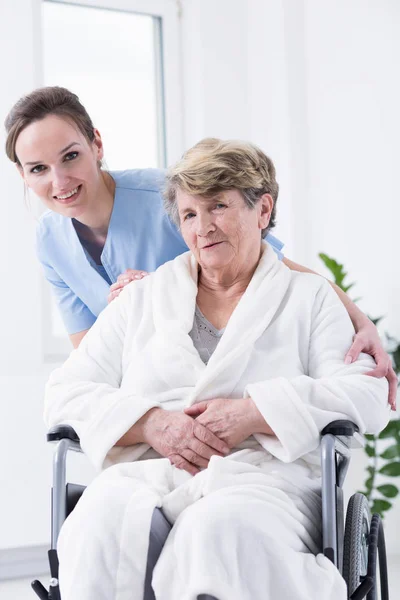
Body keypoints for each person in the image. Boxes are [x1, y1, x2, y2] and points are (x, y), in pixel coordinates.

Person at [44, 138, 390, 600]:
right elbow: (65, 392)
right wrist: (152, 423)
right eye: (189, 215)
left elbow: (365, 394)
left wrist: (254, 413)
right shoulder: (142, 300)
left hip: (266, 480)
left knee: (217, 532)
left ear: (262, 210)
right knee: (98, 524)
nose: (203, 228)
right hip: (150, 472)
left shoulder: (308, 298)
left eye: (218, 207)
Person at [4, 86, 397, 409]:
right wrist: (134, 311)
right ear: (22, 174)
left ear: (97, 144)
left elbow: (273, 264)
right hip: (157, 402)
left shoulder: (174, 198)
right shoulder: (50, 240)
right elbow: (91, 355)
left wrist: (359, 321)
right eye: (38, 168)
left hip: (239, 383)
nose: (60, 180)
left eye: (70, 156)